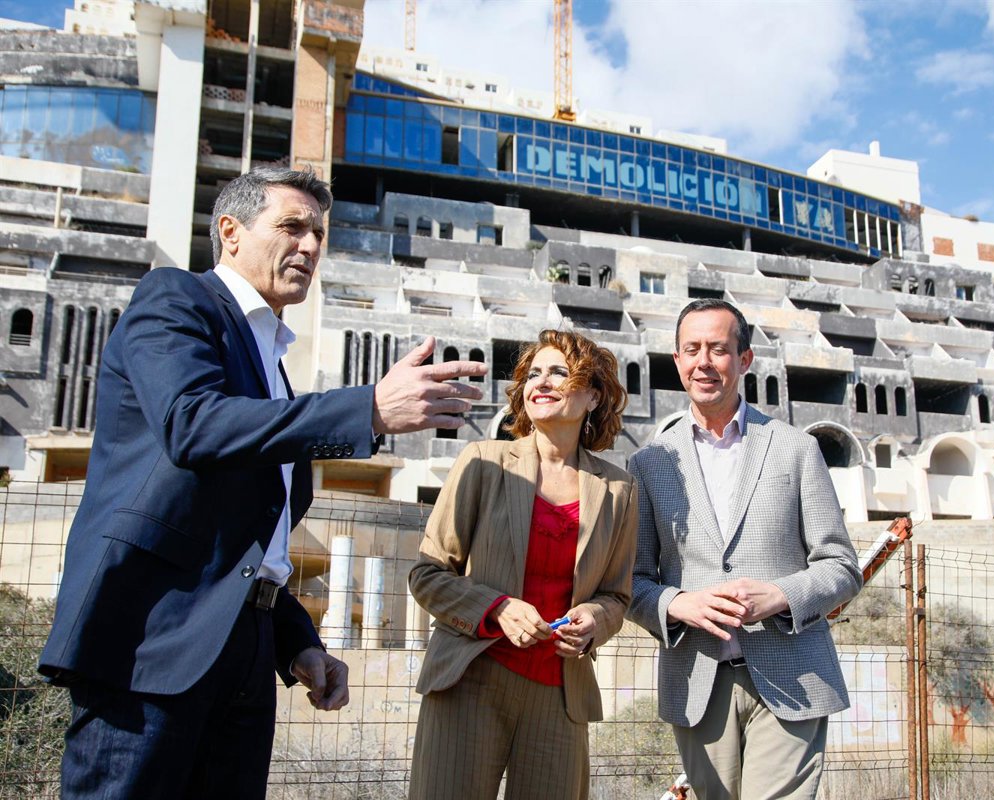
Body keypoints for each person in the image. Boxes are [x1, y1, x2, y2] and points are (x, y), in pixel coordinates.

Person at [38, 166, 489, 799]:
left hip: (246, 655)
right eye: (291, 226)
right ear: (230, 231)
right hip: (152, 642)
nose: (310, 245)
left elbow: (249, 541)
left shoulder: (273, 366)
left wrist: (296, 643)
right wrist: (367, 409)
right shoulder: (175, 298)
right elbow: (192, 424)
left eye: (319, 234)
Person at [627, 299, 863, 800]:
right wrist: (678, 604)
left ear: (745, 359)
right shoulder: (649, 463)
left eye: (718, 349)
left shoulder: (796, 449)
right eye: (692, 349)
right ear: (676, 361)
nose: (704, 362)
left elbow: (842, 566)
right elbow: (632, 581)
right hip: (697, 681)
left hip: (793, 675)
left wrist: (780, 596)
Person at [407, 329, 637, 800]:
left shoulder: (619, 490)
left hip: (560, 694)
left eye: (559, 372)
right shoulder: (482, 461)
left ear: (594, 396)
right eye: (534, 374)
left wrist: (594, 619)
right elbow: (427, 575)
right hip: (471, 677)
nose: (542, 382)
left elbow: (617, 596)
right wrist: (497, 608)